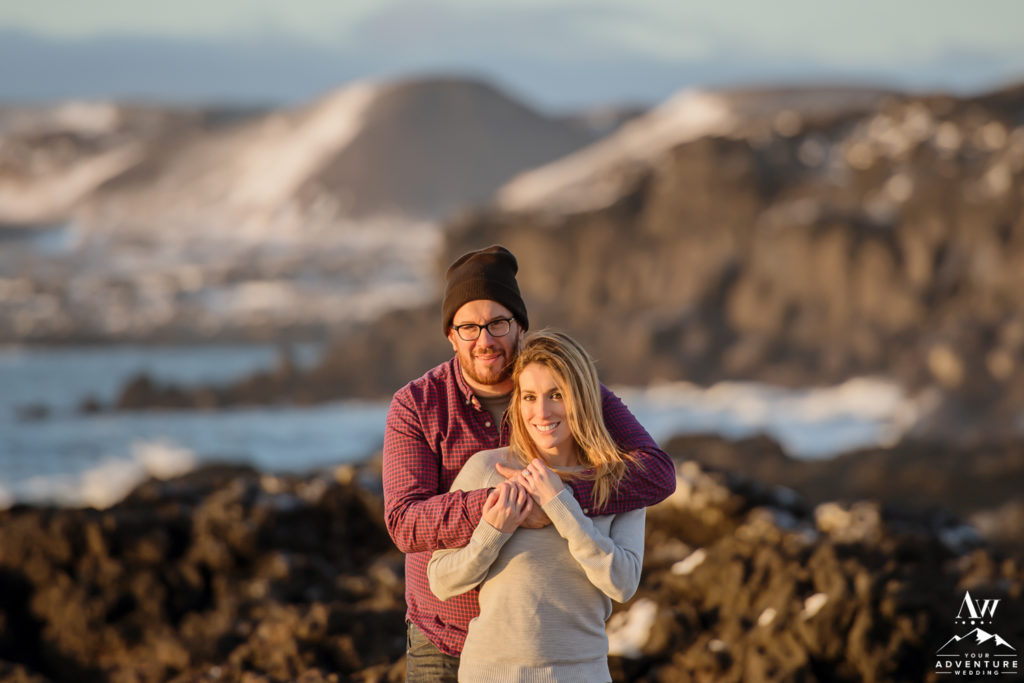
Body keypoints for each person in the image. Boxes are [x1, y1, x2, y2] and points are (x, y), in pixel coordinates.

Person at [382, 244, 676, 682]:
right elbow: (405, 522)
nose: (484, 340)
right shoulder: (418, 406)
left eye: (497, 323)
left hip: (556, 649)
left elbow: (655, 471)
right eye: (468, 327)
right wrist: (502, 504)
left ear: (519, 324)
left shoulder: (568, 386)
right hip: (440, 635)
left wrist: (559, 495)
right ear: (450, 334)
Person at [427, 331, 645, 682]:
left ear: (582, 396)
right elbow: (440, 581)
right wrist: (493, 532)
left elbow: (622, 583)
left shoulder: (618, 480)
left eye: (556, 395)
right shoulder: (486, 469)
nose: (541, 412)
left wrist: (561, 505)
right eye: (529, 396)